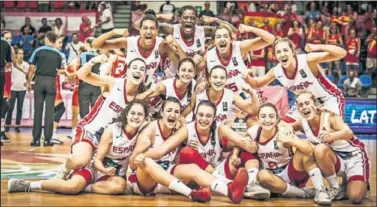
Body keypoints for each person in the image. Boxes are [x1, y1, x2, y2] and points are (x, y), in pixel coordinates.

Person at [8, 100, 147, 195]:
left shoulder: (144, 133)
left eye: (140, 114)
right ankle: (28, 185)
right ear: (126, 115)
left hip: (113, 176)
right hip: (95, 167)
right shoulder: (112, 131)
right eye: (133, 113)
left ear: (145, 117)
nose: (136, 117)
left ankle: (85, 188)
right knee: (72, 187)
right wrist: (104, 169)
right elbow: (98, 159)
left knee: (120, 186)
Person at [129, 97, 250, 204]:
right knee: (148, 161)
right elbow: (133, 164)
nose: (172, 115)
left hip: (167, 178)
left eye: (176, 111)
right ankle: (192, 194)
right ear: (161, 112)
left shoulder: (179, 128)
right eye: (169, 111)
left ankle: (229, 190)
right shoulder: (149, 130)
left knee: (192, 167)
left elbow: (179, 156)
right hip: (146, 181)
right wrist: (140, 155)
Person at [54, 57, 147, 181]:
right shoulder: (114, 83)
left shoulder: (140, 99)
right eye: (134, 67)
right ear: (128, 71)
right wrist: (93, 61)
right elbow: (82, 75)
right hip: (91, 132)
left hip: (110, 142)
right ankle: (65, 168)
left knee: (111, 180)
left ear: (145, 75)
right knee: (81, 160)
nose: (138, 71)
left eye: (142, 69)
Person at [243, 38, 346, 123]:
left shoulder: (306, 60)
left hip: (328, 99)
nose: (282, 54)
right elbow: (256, 84)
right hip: (304, 103)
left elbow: (342, 53)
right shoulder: (277, 71)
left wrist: (319, 47)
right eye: (278, 52)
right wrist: (247, 77)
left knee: (331, 132)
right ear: (275, 56)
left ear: (293, 51)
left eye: (285, 50)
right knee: (281, 129)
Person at [246, 103, 332, 205]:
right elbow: (238, 142)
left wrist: (290, 140)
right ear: (258, 119)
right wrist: (238, 152)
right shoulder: (253, 131)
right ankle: (302, 193)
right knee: (262, 175)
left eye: (271, 116)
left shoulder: (284, 130)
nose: (267, 120)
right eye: (263, 116)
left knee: (303, 152)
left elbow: (309, 150)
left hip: (290, 173)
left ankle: (320, 190)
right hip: (270, 176)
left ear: (277, 118)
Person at [293, 91, 370, 203]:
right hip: (336, 159)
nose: (304, 107)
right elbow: (286, 126)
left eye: (307, 103)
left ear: (315, 104)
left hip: (354, 157)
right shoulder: (302, 123)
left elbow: (349, 133)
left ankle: (356, 183)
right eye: (301, 105)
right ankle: (335, 188)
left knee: (356, 197)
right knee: (319, 149)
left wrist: (332, 136)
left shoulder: (329, 116)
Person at [92, 15, 180, 89]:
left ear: (157, 31)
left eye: (152, 28)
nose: (148, 31)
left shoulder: (162, 45)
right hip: (127, 86)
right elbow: (95, 45)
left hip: (148, 87)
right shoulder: (130, 42)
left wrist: (175, 44)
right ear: (140, 30)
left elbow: (181, 64)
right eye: (145, 28)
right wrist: (113, 32)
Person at [26, 32, 68, 147]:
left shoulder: (38, 51)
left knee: (38, 111)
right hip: (51, 82)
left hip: (39, 81)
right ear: (54, 41)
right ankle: (48, 140)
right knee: (49, 112)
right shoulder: (59, 54)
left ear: (47, 39)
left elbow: (32, 68)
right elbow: (60, 70)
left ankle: (36, 140)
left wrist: (29, 83)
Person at [5, 48, 29, 133]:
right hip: (13, 89)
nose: (21, 55)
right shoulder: (12, 64)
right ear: (16, 55)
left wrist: (28, 82)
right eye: (19, 53)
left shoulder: (26, 64)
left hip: (22, 89)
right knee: (10, 107)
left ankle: (17, 126)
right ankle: (7, 125)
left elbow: (29, 75)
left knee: (20, 108)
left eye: (22, 53)